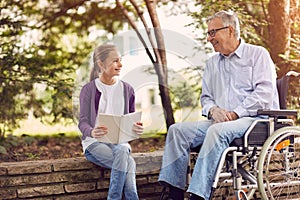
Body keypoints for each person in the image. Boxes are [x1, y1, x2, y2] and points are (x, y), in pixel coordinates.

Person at [158, 10, 279, 200]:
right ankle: (174, 193)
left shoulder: (257, 55)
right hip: (221, 122)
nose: (208, 38)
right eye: (208, 33)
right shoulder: (212, 63)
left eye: (212, 32)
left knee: (217, 131)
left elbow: (264, 94)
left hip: (254, 120)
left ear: (230, 30)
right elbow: (206, 98)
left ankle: (198, 195)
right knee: (176, 131)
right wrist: (213, 110)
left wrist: (235, 113)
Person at [78, 44, 144, 200]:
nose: (120, 65)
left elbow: (130, 119)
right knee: (129, 163)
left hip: (120, 143)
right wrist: (92, 131)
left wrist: (136, 129)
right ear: (101, 64)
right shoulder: (88, 89)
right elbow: (83, 122)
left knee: (122, 152)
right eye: (115, 61)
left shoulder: (127, 89)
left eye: (120, 60)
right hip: (94, 143)